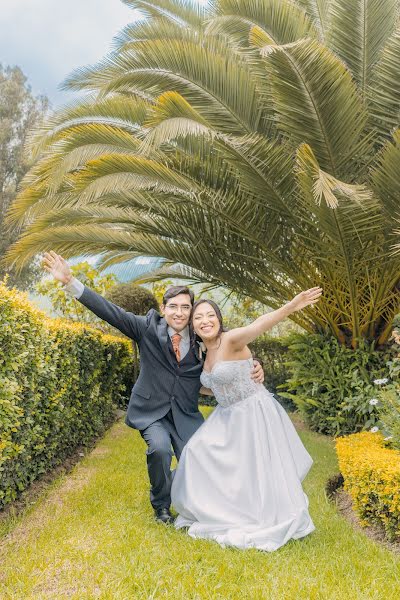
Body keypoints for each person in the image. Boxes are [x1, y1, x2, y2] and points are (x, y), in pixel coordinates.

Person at [42, 251, 264, 524]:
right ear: (164, 308)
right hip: (151, 411)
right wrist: (71, 282)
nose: (180, 313)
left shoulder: (201, 338)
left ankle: (204, 502)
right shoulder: (147, 327)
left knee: (200, 457)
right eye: (174, 307)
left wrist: (254, 366)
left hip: (184, 412)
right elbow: (110, 311)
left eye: (186, 308)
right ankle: (161, 506)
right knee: (159, 450)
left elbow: (229, 350)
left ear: (192, 311)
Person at [171, 288, 322, 551]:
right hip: (227, 413)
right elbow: (212, 386)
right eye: (198, 317)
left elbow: (259, 324)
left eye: (210, 315)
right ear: (192, 326)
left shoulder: (230, 340)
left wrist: (291, 305)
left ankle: (253, 515)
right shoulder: (203, 354)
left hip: (252, 411)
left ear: (219, 319)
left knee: (254, 469)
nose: (205, 321)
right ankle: (215, 509)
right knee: (196, 451)